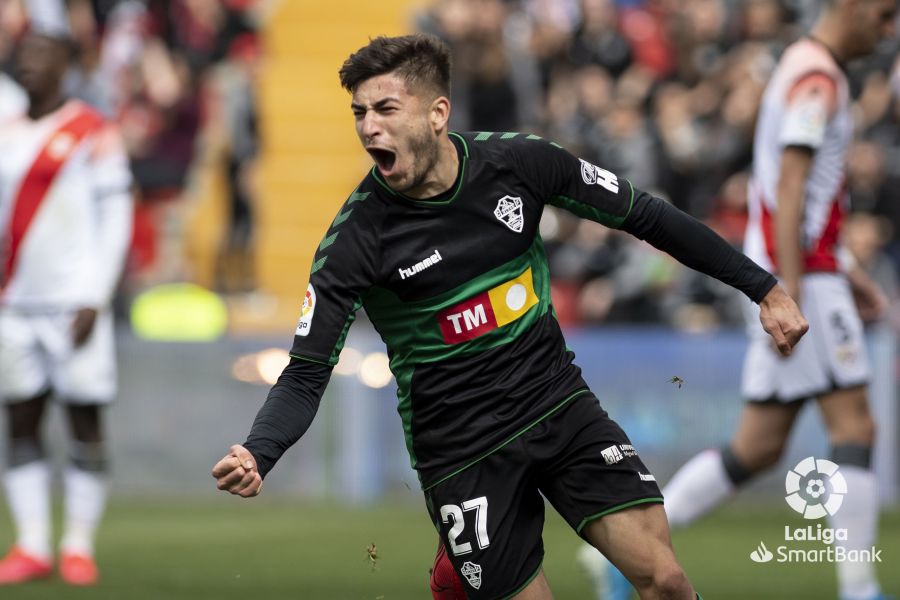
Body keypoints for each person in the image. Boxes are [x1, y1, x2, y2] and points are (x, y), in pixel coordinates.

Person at [212, 33, 807, 600]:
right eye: (360, 113)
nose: (370, 127)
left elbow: (644, 215)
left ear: (437, 113)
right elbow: (306, 371)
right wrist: (258, 451)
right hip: (462, 451)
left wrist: (763, 288)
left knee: (667, 581)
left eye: (386, 109)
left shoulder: (518, 164)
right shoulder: (354, 241)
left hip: (558, 404)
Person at [592, 2, 897, 600]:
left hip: (799, 270)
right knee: (855, 425)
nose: (889, 30)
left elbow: (795, 195)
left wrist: (849, 266)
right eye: (884, 15)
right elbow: (788, 189)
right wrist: (792, 293)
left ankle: (624, 559)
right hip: (801, 275)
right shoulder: (816, 78)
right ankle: (860, 589)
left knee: (756, 447)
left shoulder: (802, 67)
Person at [0, 10, 134, 587]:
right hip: (14, 305)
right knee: (21, 419)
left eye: (39, 54)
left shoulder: (93, 130)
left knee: (84, 419)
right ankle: (31, 544)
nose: (27, 62)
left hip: (75, 305)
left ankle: (78, 544)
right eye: (22, 54)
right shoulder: (4, 131)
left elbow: (117, 215)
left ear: (67, 65)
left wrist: (95, 296)